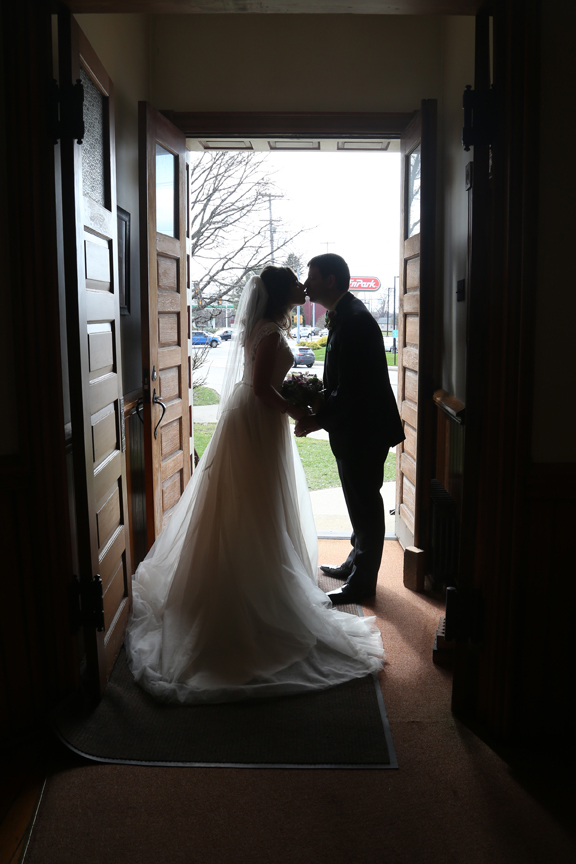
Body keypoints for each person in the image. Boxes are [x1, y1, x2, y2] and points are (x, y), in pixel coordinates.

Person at [125, 265, 384, 704]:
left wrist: (301, 403)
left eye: (311, 277)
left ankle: (280, 576)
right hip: (257, 420)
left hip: (261, 423)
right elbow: (264, 389)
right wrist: (298, 410)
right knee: (252, 503)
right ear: (282, 294)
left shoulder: (269, 326)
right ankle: (248, 592)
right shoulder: (267, 331)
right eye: (297, 282)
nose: (304, 285)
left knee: (259, 504)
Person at [295, 254, 405, 605]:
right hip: (355, 428)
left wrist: (317, 419)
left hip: (364, 430)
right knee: (358, 502)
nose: (306, 284)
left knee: (367, 505)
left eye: (311, 277)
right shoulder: (347, 314)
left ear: (330, 280)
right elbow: (343, 381)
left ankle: (362, 584)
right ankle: (354, 563)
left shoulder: (355, 320)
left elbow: (354, 391)